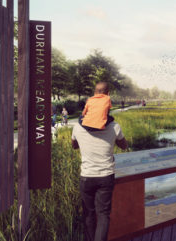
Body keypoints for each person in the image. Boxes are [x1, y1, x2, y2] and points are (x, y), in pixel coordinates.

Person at [71, 82, 128, 241]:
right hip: (105, 176)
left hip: (86, 176)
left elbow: (74, 145)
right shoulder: (114, 126)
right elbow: (124, 146)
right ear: (107, 97)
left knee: (88, 213)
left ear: (94, 96)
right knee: (103, 215)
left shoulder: (78, 126)